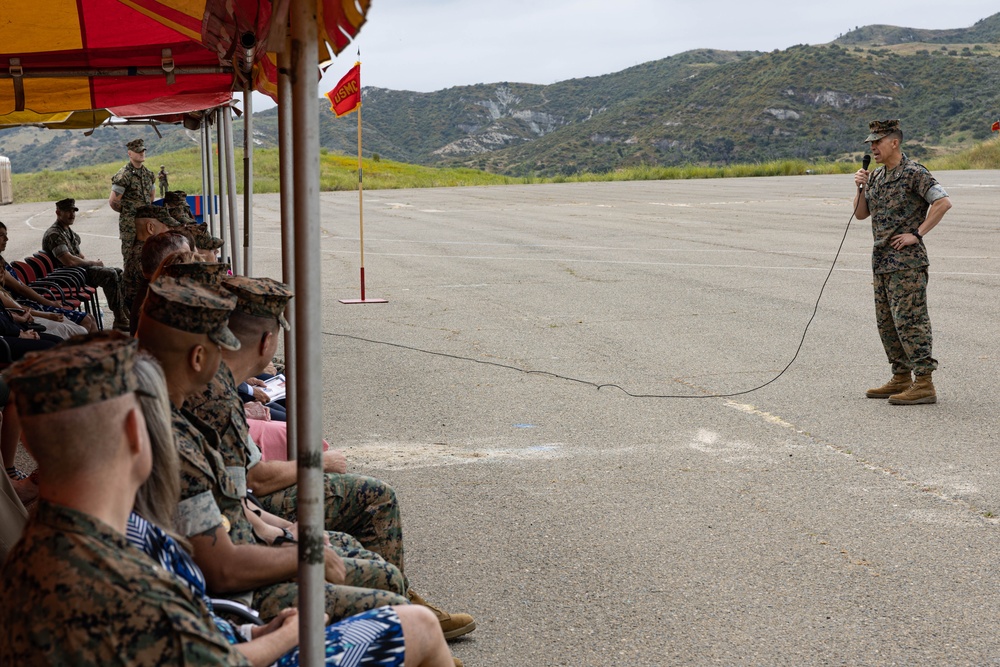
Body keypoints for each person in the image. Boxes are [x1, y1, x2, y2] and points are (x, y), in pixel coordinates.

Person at [186, 274, 476, 640]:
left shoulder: (215, 392)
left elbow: (237, 496)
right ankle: (399, 605)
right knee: (374, 500)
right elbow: (250, 486)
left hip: (246, 537)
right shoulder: (211, 400)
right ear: (267, 341)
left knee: (362, 526)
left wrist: (283, 533)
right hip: (239, 585)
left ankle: (399, 599)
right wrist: (297, 519)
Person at [130, 350, 458, 667]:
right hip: (242, 603)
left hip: (237, 615)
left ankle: (412, 615)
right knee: (388, 574)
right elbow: (230, 547)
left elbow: (238, 499)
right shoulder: (194, 419)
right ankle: (416, 626)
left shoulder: (130, 530)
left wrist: (280, 534)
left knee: (368, 553)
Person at [135, 275, 409, 623]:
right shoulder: (175, 433)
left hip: (238, 562)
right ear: (198, 356)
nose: (225, 354)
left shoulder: (165, 418)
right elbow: (221, 568)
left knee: (362, 563)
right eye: (219, 343)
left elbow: (231, 502)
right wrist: (301, 553)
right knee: (389, 589)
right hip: (237, 600)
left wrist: (277, 533)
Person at [0, 332, 249, 664]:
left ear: (29, 445)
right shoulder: (128, 583)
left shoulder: (34, 546)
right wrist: (290, 631)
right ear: (136, 429)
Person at [854, 119, 953, 405]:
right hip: (883, 263)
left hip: (907, 264)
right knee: (888, 323)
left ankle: (923, 382)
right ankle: (900, 376)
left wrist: (916, 234)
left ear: (894, 142)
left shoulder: (914, 173)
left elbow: (943, 202)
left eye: (877, 141)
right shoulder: (876, 177)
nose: (873, 147)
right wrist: (859, 186)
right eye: (871, 143)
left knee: (911, 322)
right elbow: (861, 214)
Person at [42, 197, 130, 330]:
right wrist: (94, 263)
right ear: (58, 212)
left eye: (73, 211)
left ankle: (124, 312)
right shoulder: (54, 234)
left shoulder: (68, 232)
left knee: (118, 272)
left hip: (76, 273)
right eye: (67, 211)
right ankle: (119, 319)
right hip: (68, 277)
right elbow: (69, 261)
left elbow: (79, 256)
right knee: (110, 274)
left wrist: (94, 265)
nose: (72, 215)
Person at [0, 220, 97, 332]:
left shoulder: (2, 261)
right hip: (24, 306)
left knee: (90, 319)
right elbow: (21, 289)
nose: (6, 239)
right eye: (1, 235)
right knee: (86, 321)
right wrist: (50, 303)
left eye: (6, 235)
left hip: (26, 305)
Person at [108, 137, 156, 263]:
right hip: (130, 226)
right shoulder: (124, 175)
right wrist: (129, 212)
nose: (142, 153)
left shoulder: (148, 174)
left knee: (147, 257)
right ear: (130, 153)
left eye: (143, 151)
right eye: (138, 151)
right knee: (130, 258)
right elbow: (113, 202)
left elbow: (151, 196)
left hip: (146, 223)